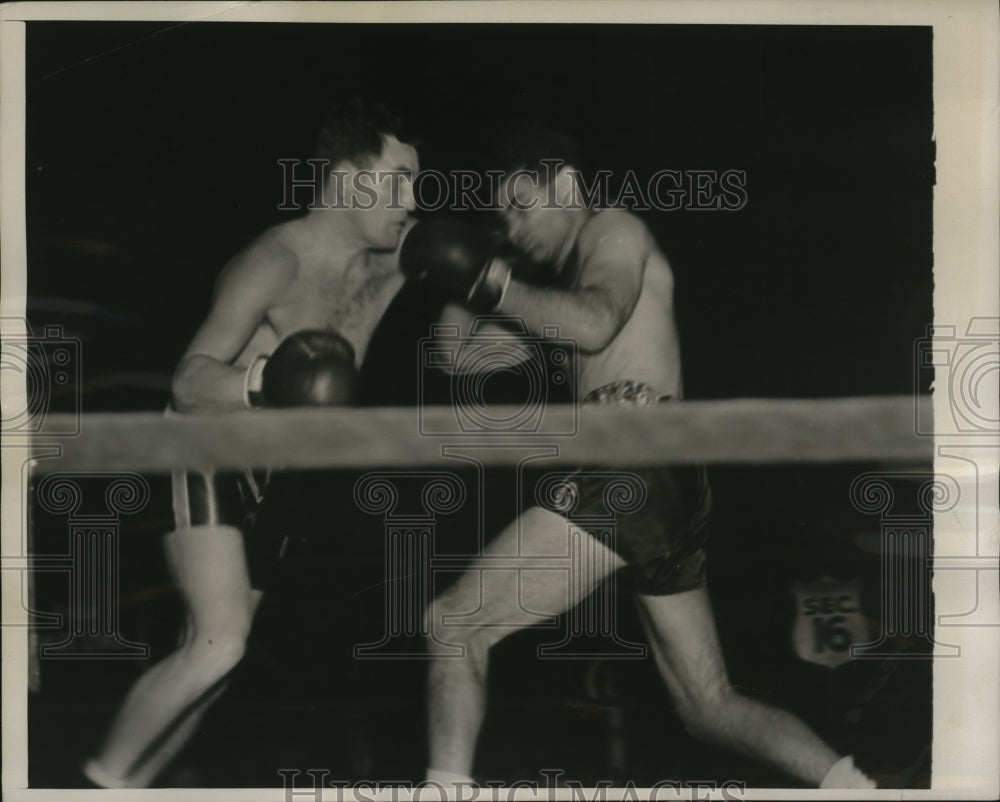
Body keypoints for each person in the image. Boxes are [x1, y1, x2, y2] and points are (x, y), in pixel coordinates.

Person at [411, 124, 877, 790]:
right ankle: (856, 790)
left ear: (566, 184)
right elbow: (458, 357)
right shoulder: (555, 296)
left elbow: (599, 320)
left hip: (628, 468)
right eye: (502, 216)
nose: (514, 226)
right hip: (664, 489)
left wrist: (496, 284)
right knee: (708, 706)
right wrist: (477, 262)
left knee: (454, 624)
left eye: (521, 205)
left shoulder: (611, 231)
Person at [82, 98, 418, 788]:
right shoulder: (272, 262)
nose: (412, 199)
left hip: (284, 477)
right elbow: (189, 380)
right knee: (218, 643)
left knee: (213, 667)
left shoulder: (395, 259)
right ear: (348, 181)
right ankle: (90, 786)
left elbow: (494, 281)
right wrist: (273, 379)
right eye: (399, 180)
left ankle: (130, 786)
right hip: (209, 449)